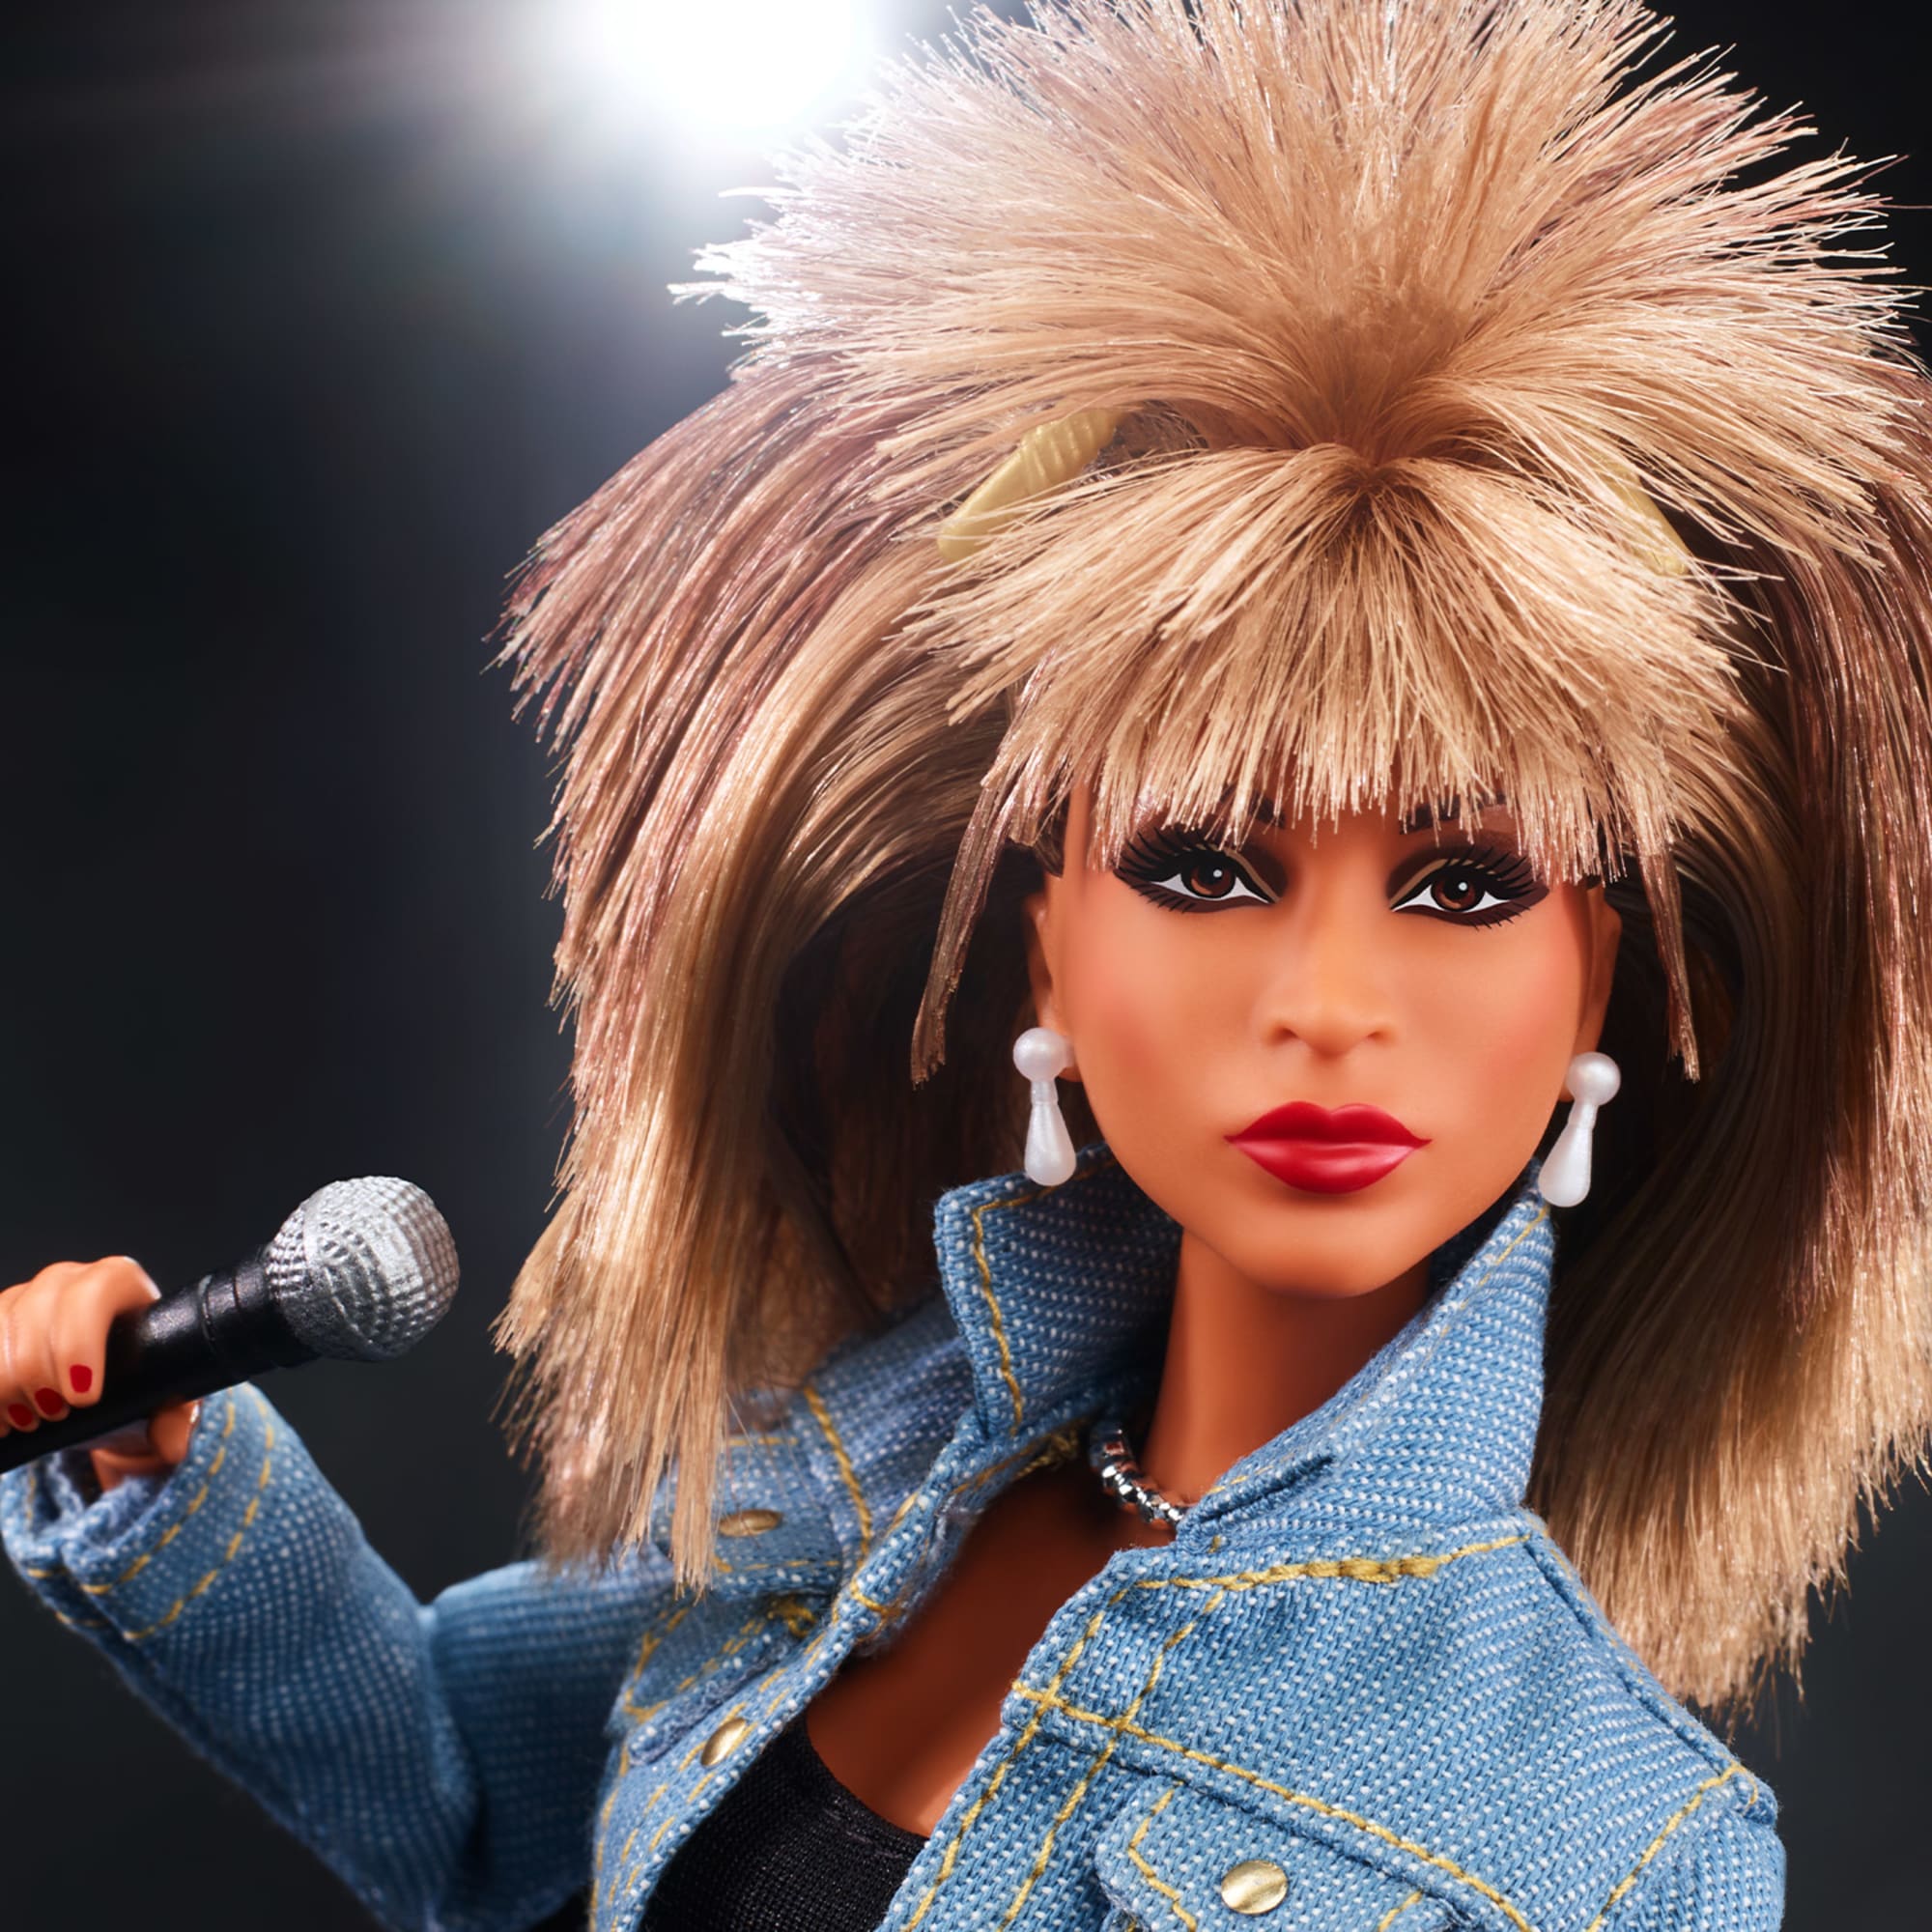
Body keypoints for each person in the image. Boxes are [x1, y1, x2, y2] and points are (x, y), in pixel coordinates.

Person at [5, 2, 1929, 1927]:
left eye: (1462, 885)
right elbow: (469, 1806)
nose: (1331, 1003)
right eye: (1204, 866)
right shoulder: (866, 1470)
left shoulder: (1619, 1845)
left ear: (1594, 986)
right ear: (1047, 960)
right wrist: (160, 1467)